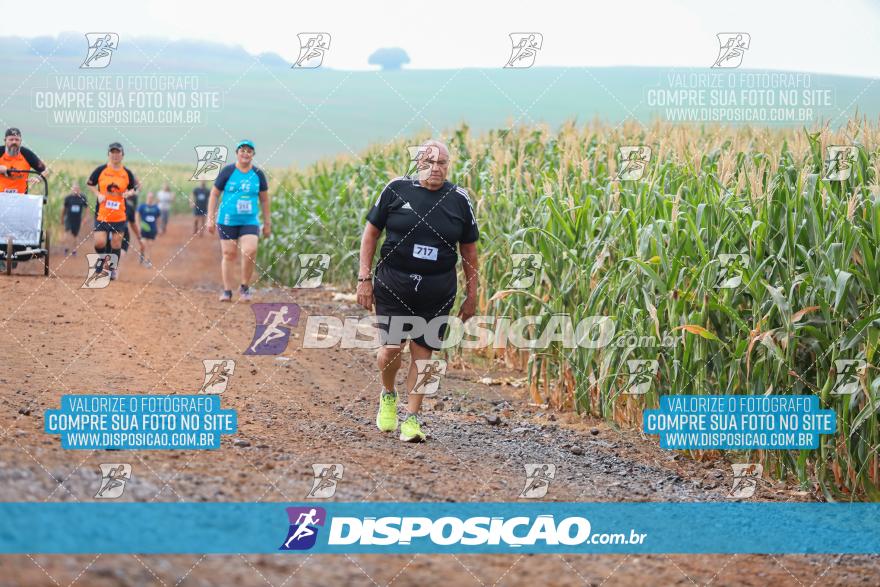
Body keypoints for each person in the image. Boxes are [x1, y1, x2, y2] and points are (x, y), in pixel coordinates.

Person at [357, 140, 479, 442]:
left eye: (441, 163)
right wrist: (364, 278)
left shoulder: (458, 199)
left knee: (423, 355)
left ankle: (412, 419)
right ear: (417, 163)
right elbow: (371, 233)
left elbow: (470, 252)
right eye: (429, 161)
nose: (435, 168)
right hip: (393, 281)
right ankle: (388, 395)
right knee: (390, 350)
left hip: (437, 288)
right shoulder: (396, 189)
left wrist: (472, 294)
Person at [206, 140, 270, 302]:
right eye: (242, 150)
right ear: (237, 153)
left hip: (249, 219)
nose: (245, 154)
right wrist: (210, 218)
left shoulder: (258, 174)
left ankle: (244, 287)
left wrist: (267, 223)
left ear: (253, 155)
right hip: (227, 219)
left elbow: (264, 200)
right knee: (229, 254)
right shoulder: (227, 172)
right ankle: (227, 290)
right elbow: (214, 194)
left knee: (250, 251)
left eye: (249, 151)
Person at [87, 142, 139, 281]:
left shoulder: (126, 173)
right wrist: (98, 194)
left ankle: (112, 269)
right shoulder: (101, 170)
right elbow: (90, 184)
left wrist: (129, 193)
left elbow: (134, 188)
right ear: (108, 154)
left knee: (116, 244)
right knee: (99, 243)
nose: (115, 155)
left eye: (118, 152)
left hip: (119, 214)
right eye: (112, 152)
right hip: (103, 213)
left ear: (122, 155)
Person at [0, 127, 47, 194]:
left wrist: (39, 178)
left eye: (17, 139)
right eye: (11, 139)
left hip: (21, 198)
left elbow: (46, 170)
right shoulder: (0, 152)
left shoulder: (27, 154)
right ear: (5, 140)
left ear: (20, 141)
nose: (14, 142)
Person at [61, 184, 88, 256]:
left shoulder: (83, 197)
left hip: (77, 219)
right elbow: (64, 208)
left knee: (75, 235)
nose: (76, 190)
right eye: (74, 188)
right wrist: (62, 218)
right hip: (68, 218)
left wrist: (85, 218)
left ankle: (74, 250)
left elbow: (86, 208)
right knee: (67, 232)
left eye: (77, 189)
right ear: (72, 189)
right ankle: (66, 248)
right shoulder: (68, 198)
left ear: (79, 190)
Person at [120, 189, 143, 270]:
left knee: (121, 251)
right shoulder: (129, 207)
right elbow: (133, 225)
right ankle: (113, 269)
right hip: (116, 230)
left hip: (122, 231)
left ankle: (113, 269)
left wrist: (139, 237)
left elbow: (133, 224)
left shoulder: (129, 207)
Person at [136, 192, 160, 268]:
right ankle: (142, 254)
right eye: (149, 197)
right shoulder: (142, 206)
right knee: (143, 244)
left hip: (152, 229)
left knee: (150, 245)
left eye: (151, 197)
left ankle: (148, 260)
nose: (150, 199)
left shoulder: (156, 208)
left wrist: (157, 228)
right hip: (143, 228)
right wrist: (138, 226)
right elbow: (137, 215)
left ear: (153, 198)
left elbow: (158, 218)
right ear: (147, 197)